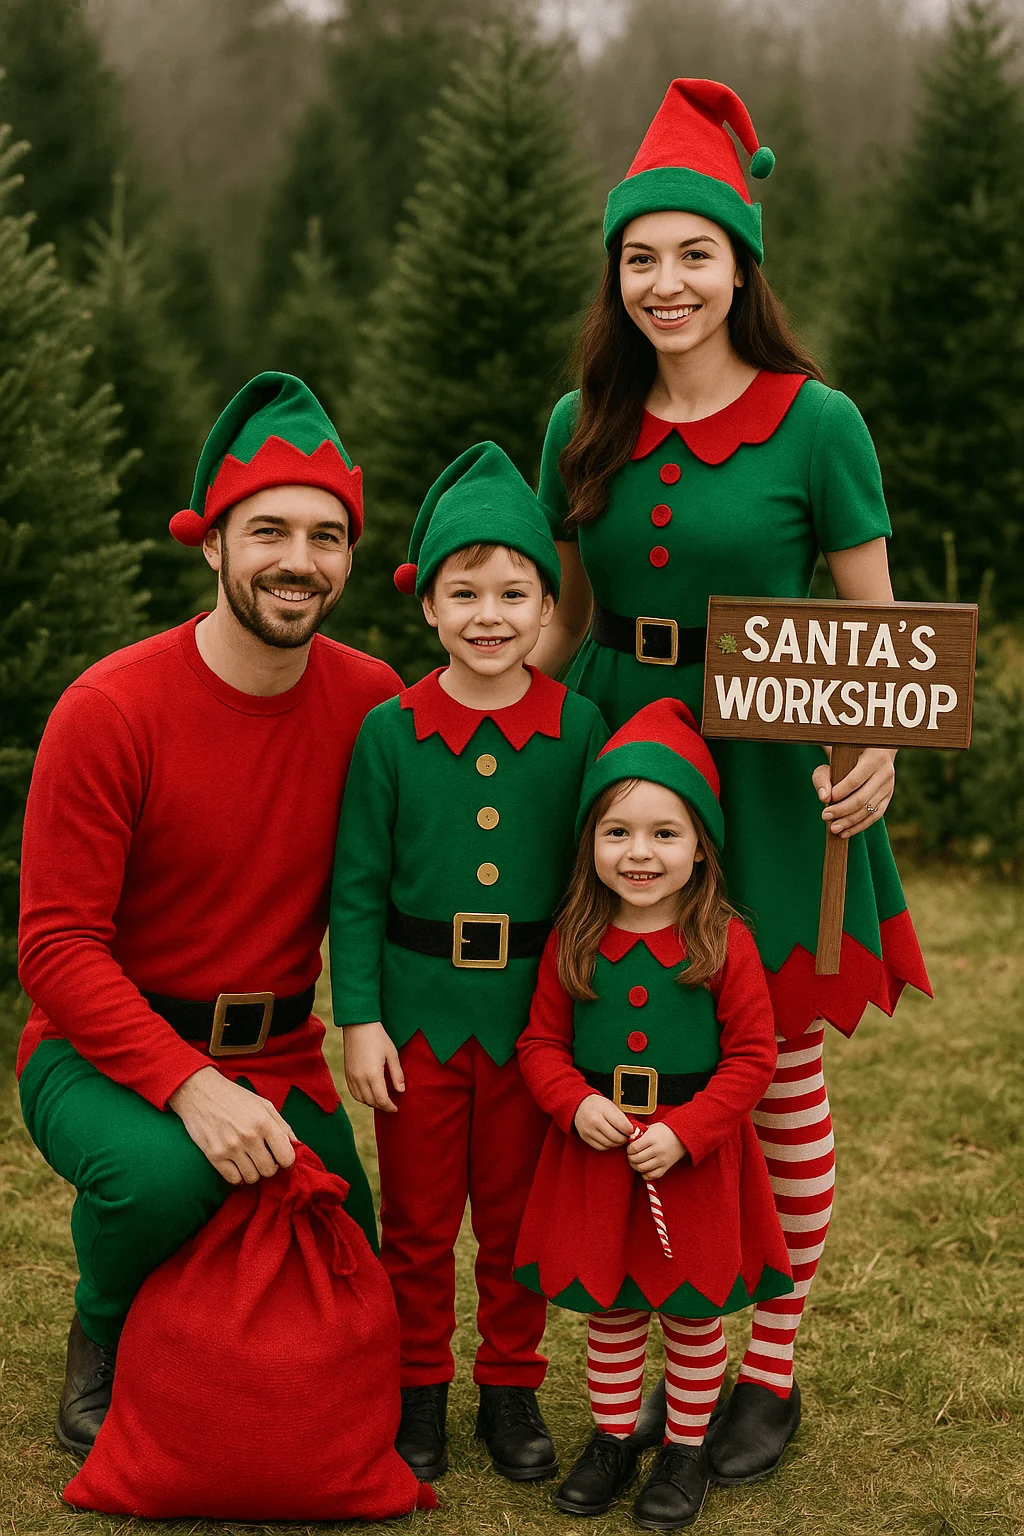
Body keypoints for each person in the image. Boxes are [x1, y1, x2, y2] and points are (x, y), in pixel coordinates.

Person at [528, 79, 932, 1482]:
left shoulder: (819, 423)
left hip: (758, 773)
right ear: (616, 274)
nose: (667, 282)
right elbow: (568, 625)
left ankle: (769, 1362)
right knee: (611, 1052)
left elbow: (875, 633)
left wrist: (871, 751)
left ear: (741, 264)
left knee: (773, 1079)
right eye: (641, 257)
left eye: (695, 252)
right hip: (619, 767)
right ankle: (633, 1350)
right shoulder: (578, 420)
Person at [17, 372, 402, 1459]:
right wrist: (189, 1089)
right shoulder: (110, 709)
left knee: (343, 1255)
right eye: (268, 529)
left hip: (282, 1048)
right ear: (212, 545)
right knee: (167, 1175)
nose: (299, 559)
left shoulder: (371, 699)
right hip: (98, 1049)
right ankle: (102, 1332)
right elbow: (53, 946)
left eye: (327, 536)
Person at [329, 442, 607, 1485]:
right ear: (428, 608)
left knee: (512, 1217)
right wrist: (360, 1017)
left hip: (534, 1019)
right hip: (416, 1021)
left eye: (512, 592)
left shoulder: (579, 730)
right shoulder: (387, 735)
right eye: (465, 592)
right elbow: (355, 888)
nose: (489, 614)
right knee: (414, 1221)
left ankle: (510, 1386)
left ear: (546, 608)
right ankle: (415, 1393)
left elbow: (595, 884)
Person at [514, 697, 792, 1530]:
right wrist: (575, 1104)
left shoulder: (723, 943)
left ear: (701, 847)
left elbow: (752, 1060)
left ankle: (684, 1446)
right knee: (614, 1307)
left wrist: (689, 1130)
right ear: (590, 843)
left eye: (665, 834)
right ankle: (610, 1435)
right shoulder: (574, 935)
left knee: (691, 1307)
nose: (639, 853)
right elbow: (539, 1047)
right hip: (601, 1153)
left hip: (688, 1158)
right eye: (618, 833)